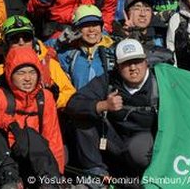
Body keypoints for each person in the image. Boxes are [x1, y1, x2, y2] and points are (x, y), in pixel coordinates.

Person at [65, 39, 158, 181]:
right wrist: (102, 105)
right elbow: (73, 104)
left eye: (137, 61)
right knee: (82, 117)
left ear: (146, 62)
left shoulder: (159, 82)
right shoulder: (107, 81)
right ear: (117, 66)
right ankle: (96, 173)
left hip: (146, 143)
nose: (133, 68)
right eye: (126, 63)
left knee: (138, 149)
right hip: (114, 141)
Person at [0, 48, 64, 188]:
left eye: (32, 72)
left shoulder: (45, 97)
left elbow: (53, 137)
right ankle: (9, 180)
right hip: (6, 156)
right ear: (10, 74)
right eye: (21, 73)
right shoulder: (0, 95)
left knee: (30, 134)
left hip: (35, 159)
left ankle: (50, 181)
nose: (28, 78)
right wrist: (10, 124)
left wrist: (57, 173)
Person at [0, 15, 75, 110]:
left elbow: (70, 93)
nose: (21, 42)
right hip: (8, 123)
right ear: (6, 44)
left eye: (26, 37)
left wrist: (50, 100)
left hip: (43, 121)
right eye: (14, 39)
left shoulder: (49, 65)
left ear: (33, 40)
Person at [50, 5, 116, 91]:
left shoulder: (114, 51)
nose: (91, 30)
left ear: (101, 27)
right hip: (79, 103)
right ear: (77, 29)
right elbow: (39, 53)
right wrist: (57, 43)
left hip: (107, 103)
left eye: (95, 24)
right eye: (86, 25)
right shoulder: (69, 54)